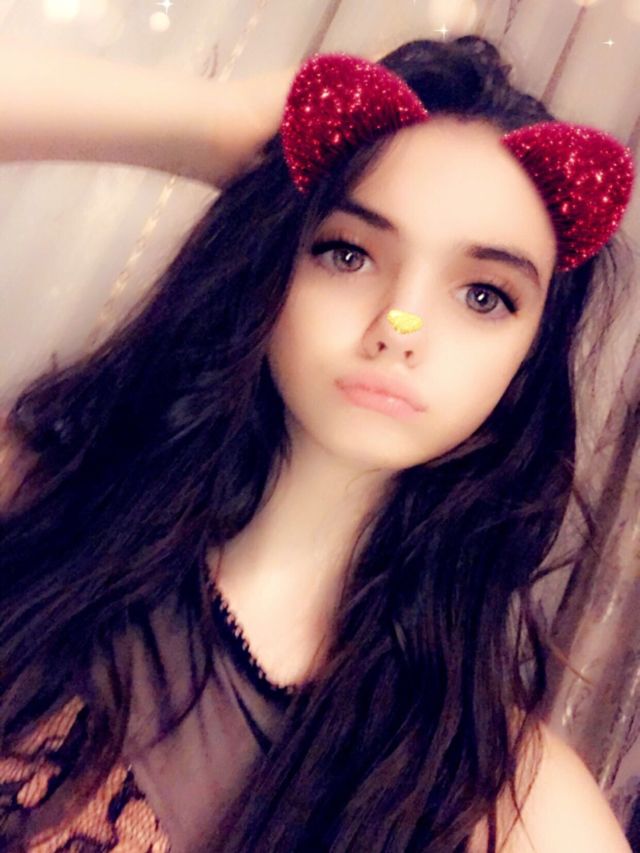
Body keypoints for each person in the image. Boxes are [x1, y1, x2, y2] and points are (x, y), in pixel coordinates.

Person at [0, 33, 635, 853]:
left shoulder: (510, 799)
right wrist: (210, 121)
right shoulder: (42, 501)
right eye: (349, 252)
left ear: (528, 359)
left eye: (484, 294)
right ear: (274, 263)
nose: (400, 324)